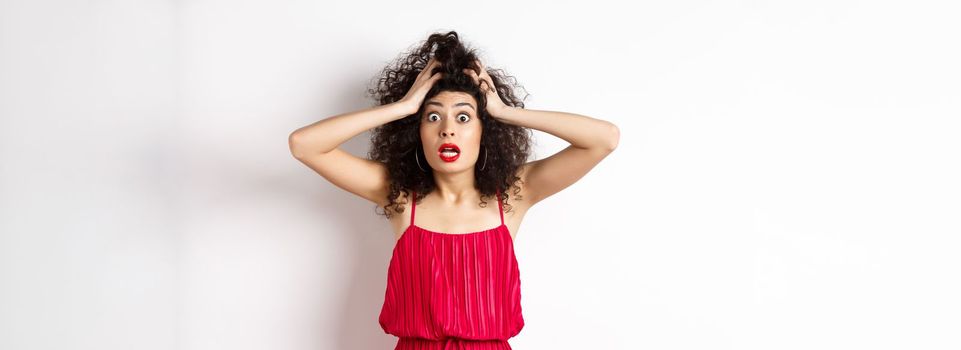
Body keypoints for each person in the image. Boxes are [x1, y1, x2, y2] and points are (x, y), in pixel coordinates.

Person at [288, 31, 618, 349]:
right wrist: (404, 106)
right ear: (416, 132)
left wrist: (505, 112)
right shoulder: (401, 198)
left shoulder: (512, 196)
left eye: (463, 117)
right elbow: (304, 145)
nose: (447, 130)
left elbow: (604, 140)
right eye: (433, 117)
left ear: (483, 130)